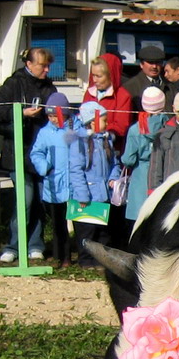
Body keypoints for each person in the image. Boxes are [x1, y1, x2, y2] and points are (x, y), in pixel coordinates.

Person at [0, 46, 57, 263]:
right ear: (29, 64)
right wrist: (21, 113)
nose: (46, 70)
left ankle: (35, 245)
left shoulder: (49, 86)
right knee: (24, 201)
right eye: (42, 65)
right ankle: (14, 245)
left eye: (48, 65)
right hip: (18, 152)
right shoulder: (14, 83)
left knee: (38, 202)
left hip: (42, 152)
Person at [70, 102, 121, 267]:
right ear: (92, 121)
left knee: (102, 231)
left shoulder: (106, 141)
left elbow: (114, 163)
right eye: (104, 120)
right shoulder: (80, 142)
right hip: (87, 196)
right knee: (86, 231)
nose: (107, 124)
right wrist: (82, 195)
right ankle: (85, 261)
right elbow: (76, 170)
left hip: (103, 193)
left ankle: (100, 260)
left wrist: (113, 178)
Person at [30, 92, 76, 265]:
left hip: (73, 183)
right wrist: (44, 167)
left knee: (79, 222)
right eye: (49, 115)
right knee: (58, 225)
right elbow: (36, 153)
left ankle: (82, 255)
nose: (53, 119)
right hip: (54, 183)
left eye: (56, 115)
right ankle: (61, 257)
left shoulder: (74, 128)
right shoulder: (44, 133)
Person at [121, 86, 170, 229]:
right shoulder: (168, 126)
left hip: (140, 176)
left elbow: (128, 159)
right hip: (162, 173)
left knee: (138, 222)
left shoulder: (136, 129)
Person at [123, 44, 166, 112]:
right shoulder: (130, 87)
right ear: (141, 64)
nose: (154, 66)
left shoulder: (169, 85)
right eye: (150, 62)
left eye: (158, 62)